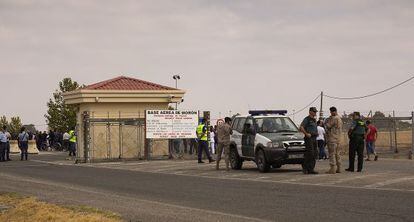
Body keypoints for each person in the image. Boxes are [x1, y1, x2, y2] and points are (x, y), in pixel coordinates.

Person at [299, 107, 319, 174]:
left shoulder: (314, 120)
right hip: (309, 138)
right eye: (314, 111)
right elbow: (301, 127)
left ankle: (311, 169)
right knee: (310, 153)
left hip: (314, 138)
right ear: (310, 111)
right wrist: (306, 134)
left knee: (315, 153)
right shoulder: (307, 119)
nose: (315, 113)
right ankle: (305, 168)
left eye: (315, 112)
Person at [325, 107, 344, 174]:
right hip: (338, 139)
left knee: (332, 154)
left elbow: (328, 126)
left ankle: (332, 169)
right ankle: (339, 168)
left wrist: (325, 122)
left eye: (331, 112)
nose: (331, 113)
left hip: (333, 139)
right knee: (337, 154)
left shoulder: (334, 118)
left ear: (333, 111)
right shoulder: (339, 118)